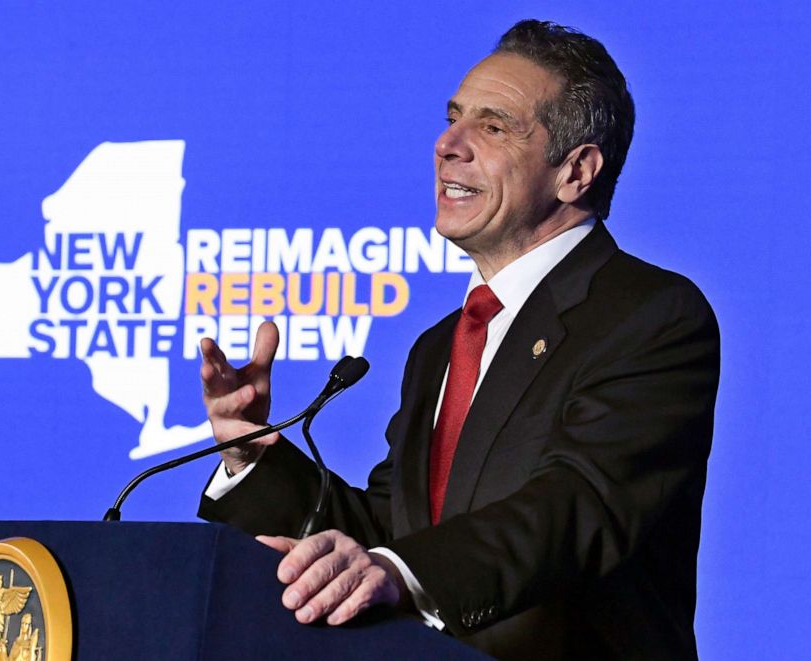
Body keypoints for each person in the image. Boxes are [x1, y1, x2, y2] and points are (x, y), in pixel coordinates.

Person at [197, 19, 719, 659]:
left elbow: (578, 506)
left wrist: (397, 571)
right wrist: (251, 456)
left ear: (577, 171)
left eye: (494, 127)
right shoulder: (440, 346)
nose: (448, 144)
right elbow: (390, 533)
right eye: (453, 119)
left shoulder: (650, 315)